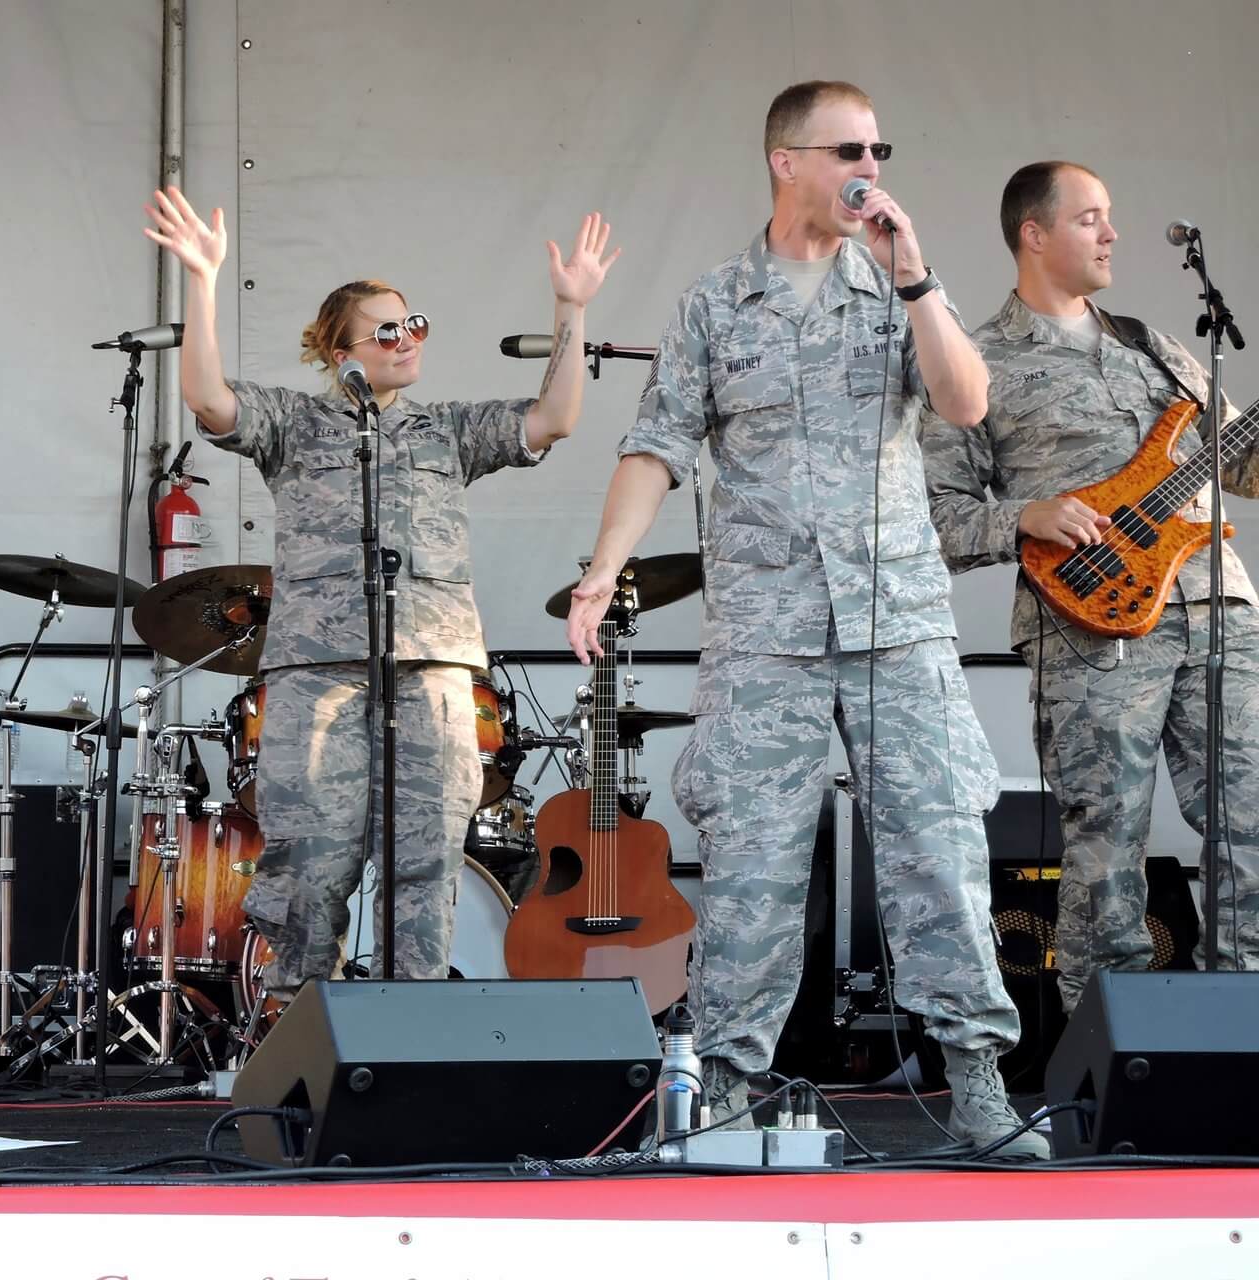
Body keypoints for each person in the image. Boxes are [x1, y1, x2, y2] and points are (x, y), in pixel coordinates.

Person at [565, 81, 1045, 1156]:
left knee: (939, 850)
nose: (869, 164)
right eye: (847, 148)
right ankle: (727, 1089)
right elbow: (656, 446)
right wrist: (603, 570)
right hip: (766, 629)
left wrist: (913, 272)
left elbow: (967, 403)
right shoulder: (714, 303)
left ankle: (978, 1084)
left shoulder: (898, 284)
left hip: (898, 620)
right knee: (752, 859)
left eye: (880, 144)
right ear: (788, 161)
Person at [145, 185, 618, 999]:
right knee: (310, 861)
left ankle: (416, 1032)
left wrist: (570, 309)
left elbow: (554, 418)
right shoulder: (295, 423)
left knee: (427, 860)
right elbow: (208, 399)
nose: (409, 340)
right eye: (388, 330)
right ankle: (300, 1030)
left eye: (416, 324)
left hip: (431, 672)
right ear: (343, 354)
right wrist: (203, 283)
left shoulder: (447, 430)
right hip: (316, 673)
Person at [921, 160, 1259, 1009]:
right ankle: (1109, 1061)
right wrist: (1023, 516)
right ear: (1033, 234)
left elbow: (1242, 463)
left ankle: (1241, 1030)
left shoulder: (1155, 345)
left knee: (1253, 827)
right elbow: (935, 516)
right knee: (1108, 844)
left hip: (1217, 606)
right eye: (1090, 218)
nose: (1112, 234)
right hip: (1092, 625)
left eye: (1110, 217)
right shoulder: (977, 360)